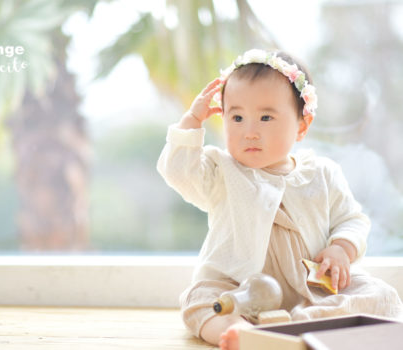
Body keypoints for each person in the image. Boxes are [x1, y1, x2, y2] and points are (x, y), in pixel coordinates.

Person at [156, 49, 403, 350]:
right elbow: (179, 172)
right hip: (239, 290)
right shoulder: (221, 171)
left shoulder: (322, 173)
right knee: (201, 301)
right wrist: (192, 121)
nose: (249, 132)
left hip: (312, 291)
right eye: (237, 117)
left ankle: (296, 324)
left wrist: (341, 248)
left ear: (301, 125)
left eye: (265, 117)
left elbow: (351, 220)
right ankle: (245, 332)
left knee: (380, 294)